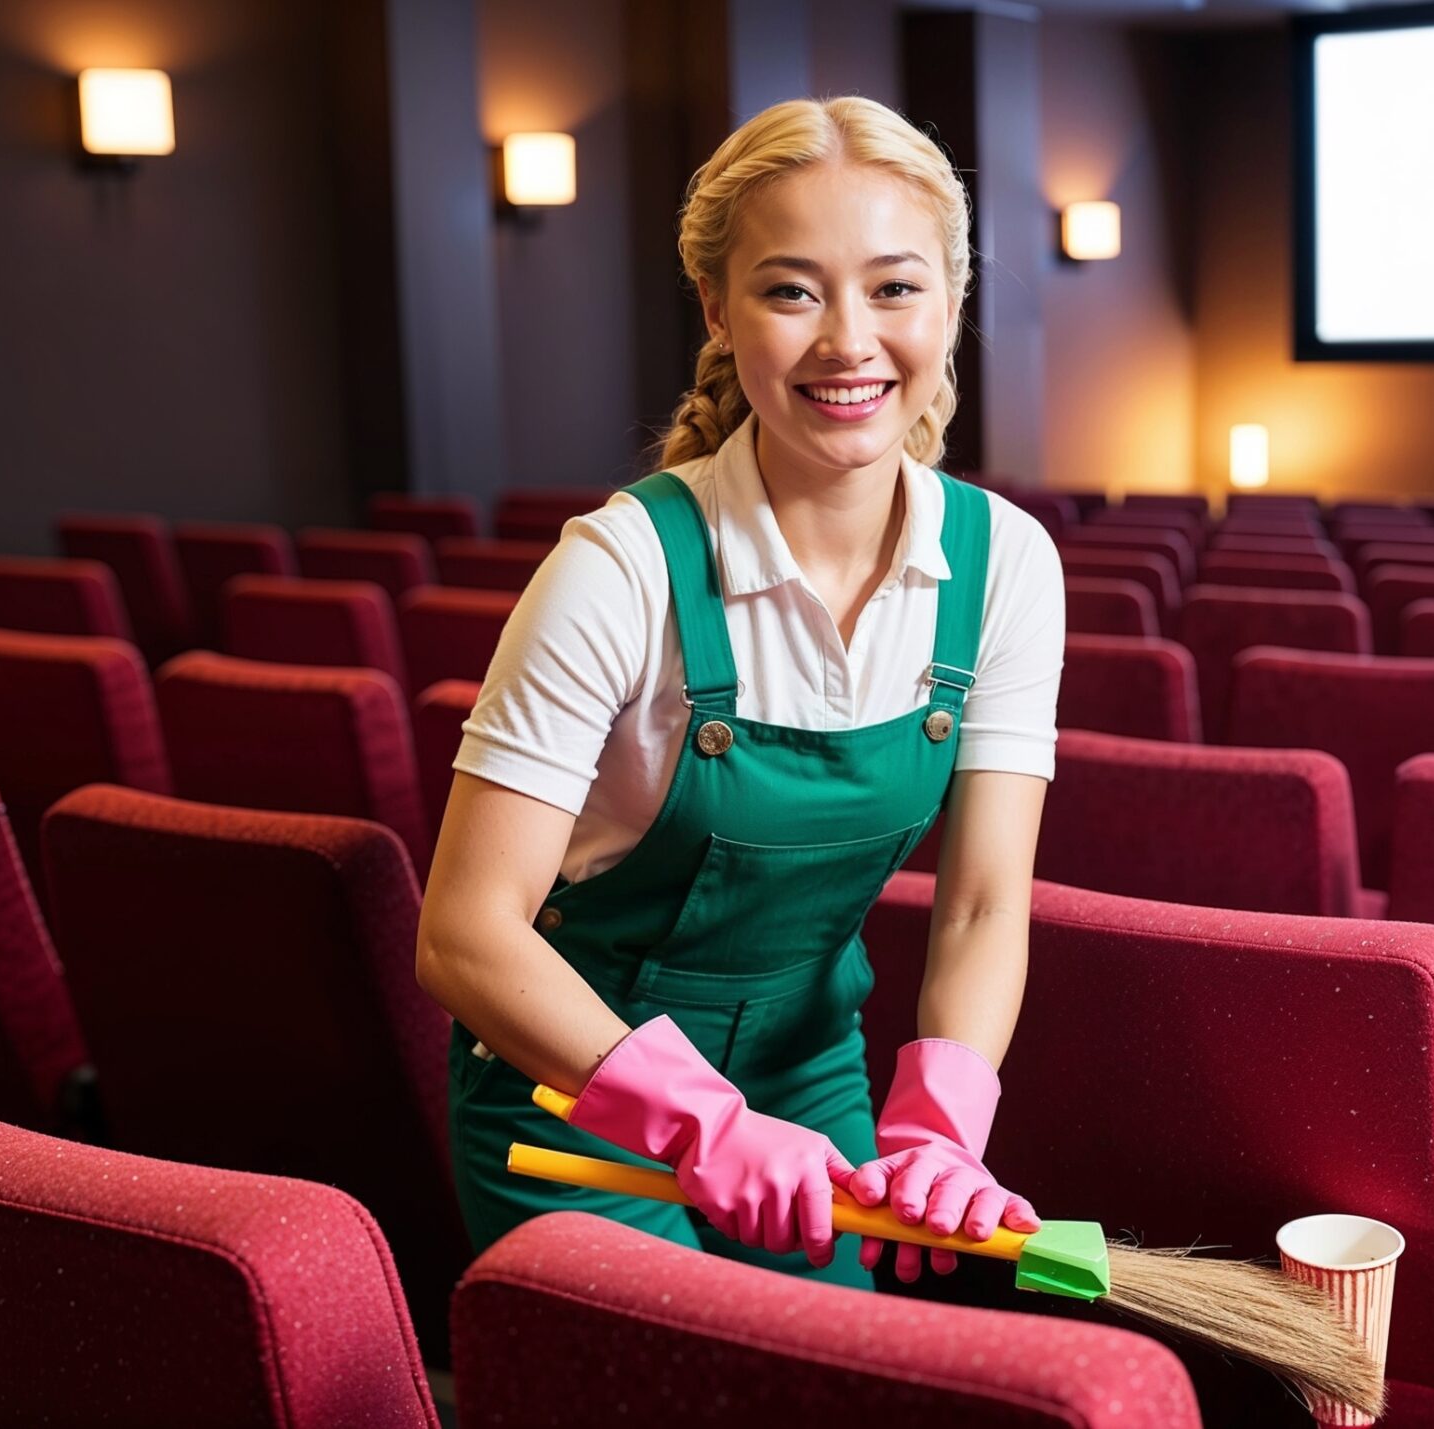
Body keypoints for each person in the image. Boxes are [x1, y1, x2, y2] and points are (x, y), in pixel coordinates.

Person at [416, 95, 1064, 1289]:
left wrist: (940, 1127)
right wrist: (693, 1124)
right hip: (574, 1095)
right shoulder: (618, 567)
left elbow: (979, 908)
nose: (849, 342)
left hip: (810, 1072)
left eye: (894, 287)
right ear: (717, 309)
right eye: (791, 290)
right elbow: (463, 935)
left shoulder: (1007, 562)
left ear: (952, 301)